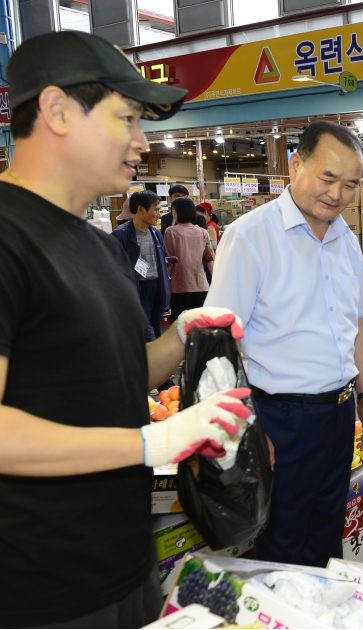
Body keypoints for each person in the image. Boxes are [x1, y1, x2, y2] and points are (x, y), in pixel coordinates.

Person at [0, 30, 251, 628]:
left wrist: (179, 338)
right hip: (37, 592)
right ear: (57, 110)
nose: (142, 142)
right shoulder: (7, 239)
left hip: (122, 568)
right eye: (128, 118)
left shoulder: (95, 245)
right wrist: (149, 444)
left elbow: (111, 376)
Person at [206, 121, 363, 568]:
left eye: (350, 185)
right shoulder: (250, 237)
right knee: (283, 540)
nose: (338, 194)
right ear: (295, 164)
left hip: (339, 413)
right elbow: (216, 342)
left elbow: (356, 323)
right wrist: (247, 426)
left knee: (327, 531)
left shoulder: (344, 237)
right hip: (281, 420)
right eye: (328, 179)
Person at [112, 190, 171, 342]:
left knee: (155, 333)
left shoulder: (156, 233)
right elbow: (113, 270)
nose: (159, 214)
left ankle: (148, 364)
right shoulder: (121, 235)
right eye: (156, 210)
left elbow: (163, 259)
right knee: (147, 336)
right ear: (140, 210)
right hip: (136, 290)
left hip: (156, 289)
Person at [165, 197, 214, 321]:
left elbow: (170, 262)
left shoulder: (171, 232)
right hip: (202, 287)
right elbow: (209, 260)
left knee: (181, 329)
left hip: (179, 287)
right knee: (200, 327)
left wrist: (165, 283)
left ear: (177, 211)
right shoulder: (203, 232)